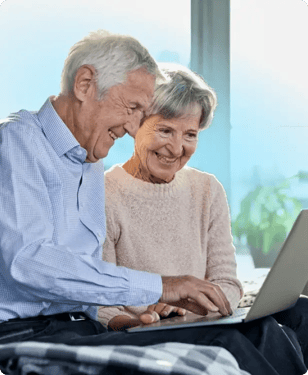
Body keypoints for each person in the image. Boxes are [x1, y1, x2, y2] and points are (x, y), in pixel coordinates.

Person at [0, 30, 231, 336]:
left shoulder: (90, 160)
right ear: (85, 85)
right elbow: (28, 263)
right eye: (133, 107)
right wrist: (160, 287)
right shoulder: (18, 143)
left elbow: (83, 279)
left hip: (81, 327)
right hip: (26, 332)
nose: (135, 127)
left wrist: (131, 321)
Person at [96, 63, 308, 375]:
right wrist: (143, 315)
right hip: (148, 328)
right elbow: (97, 297)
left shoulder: (207, 189)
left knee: (303, 310)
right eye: (165, 130)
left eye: (190, 134)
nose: (177, 148)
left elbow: (227, 282)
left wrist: (199, 305)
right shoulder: (104, 194)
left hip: (202, 317)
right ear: (135, 125)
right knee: (259, 337)